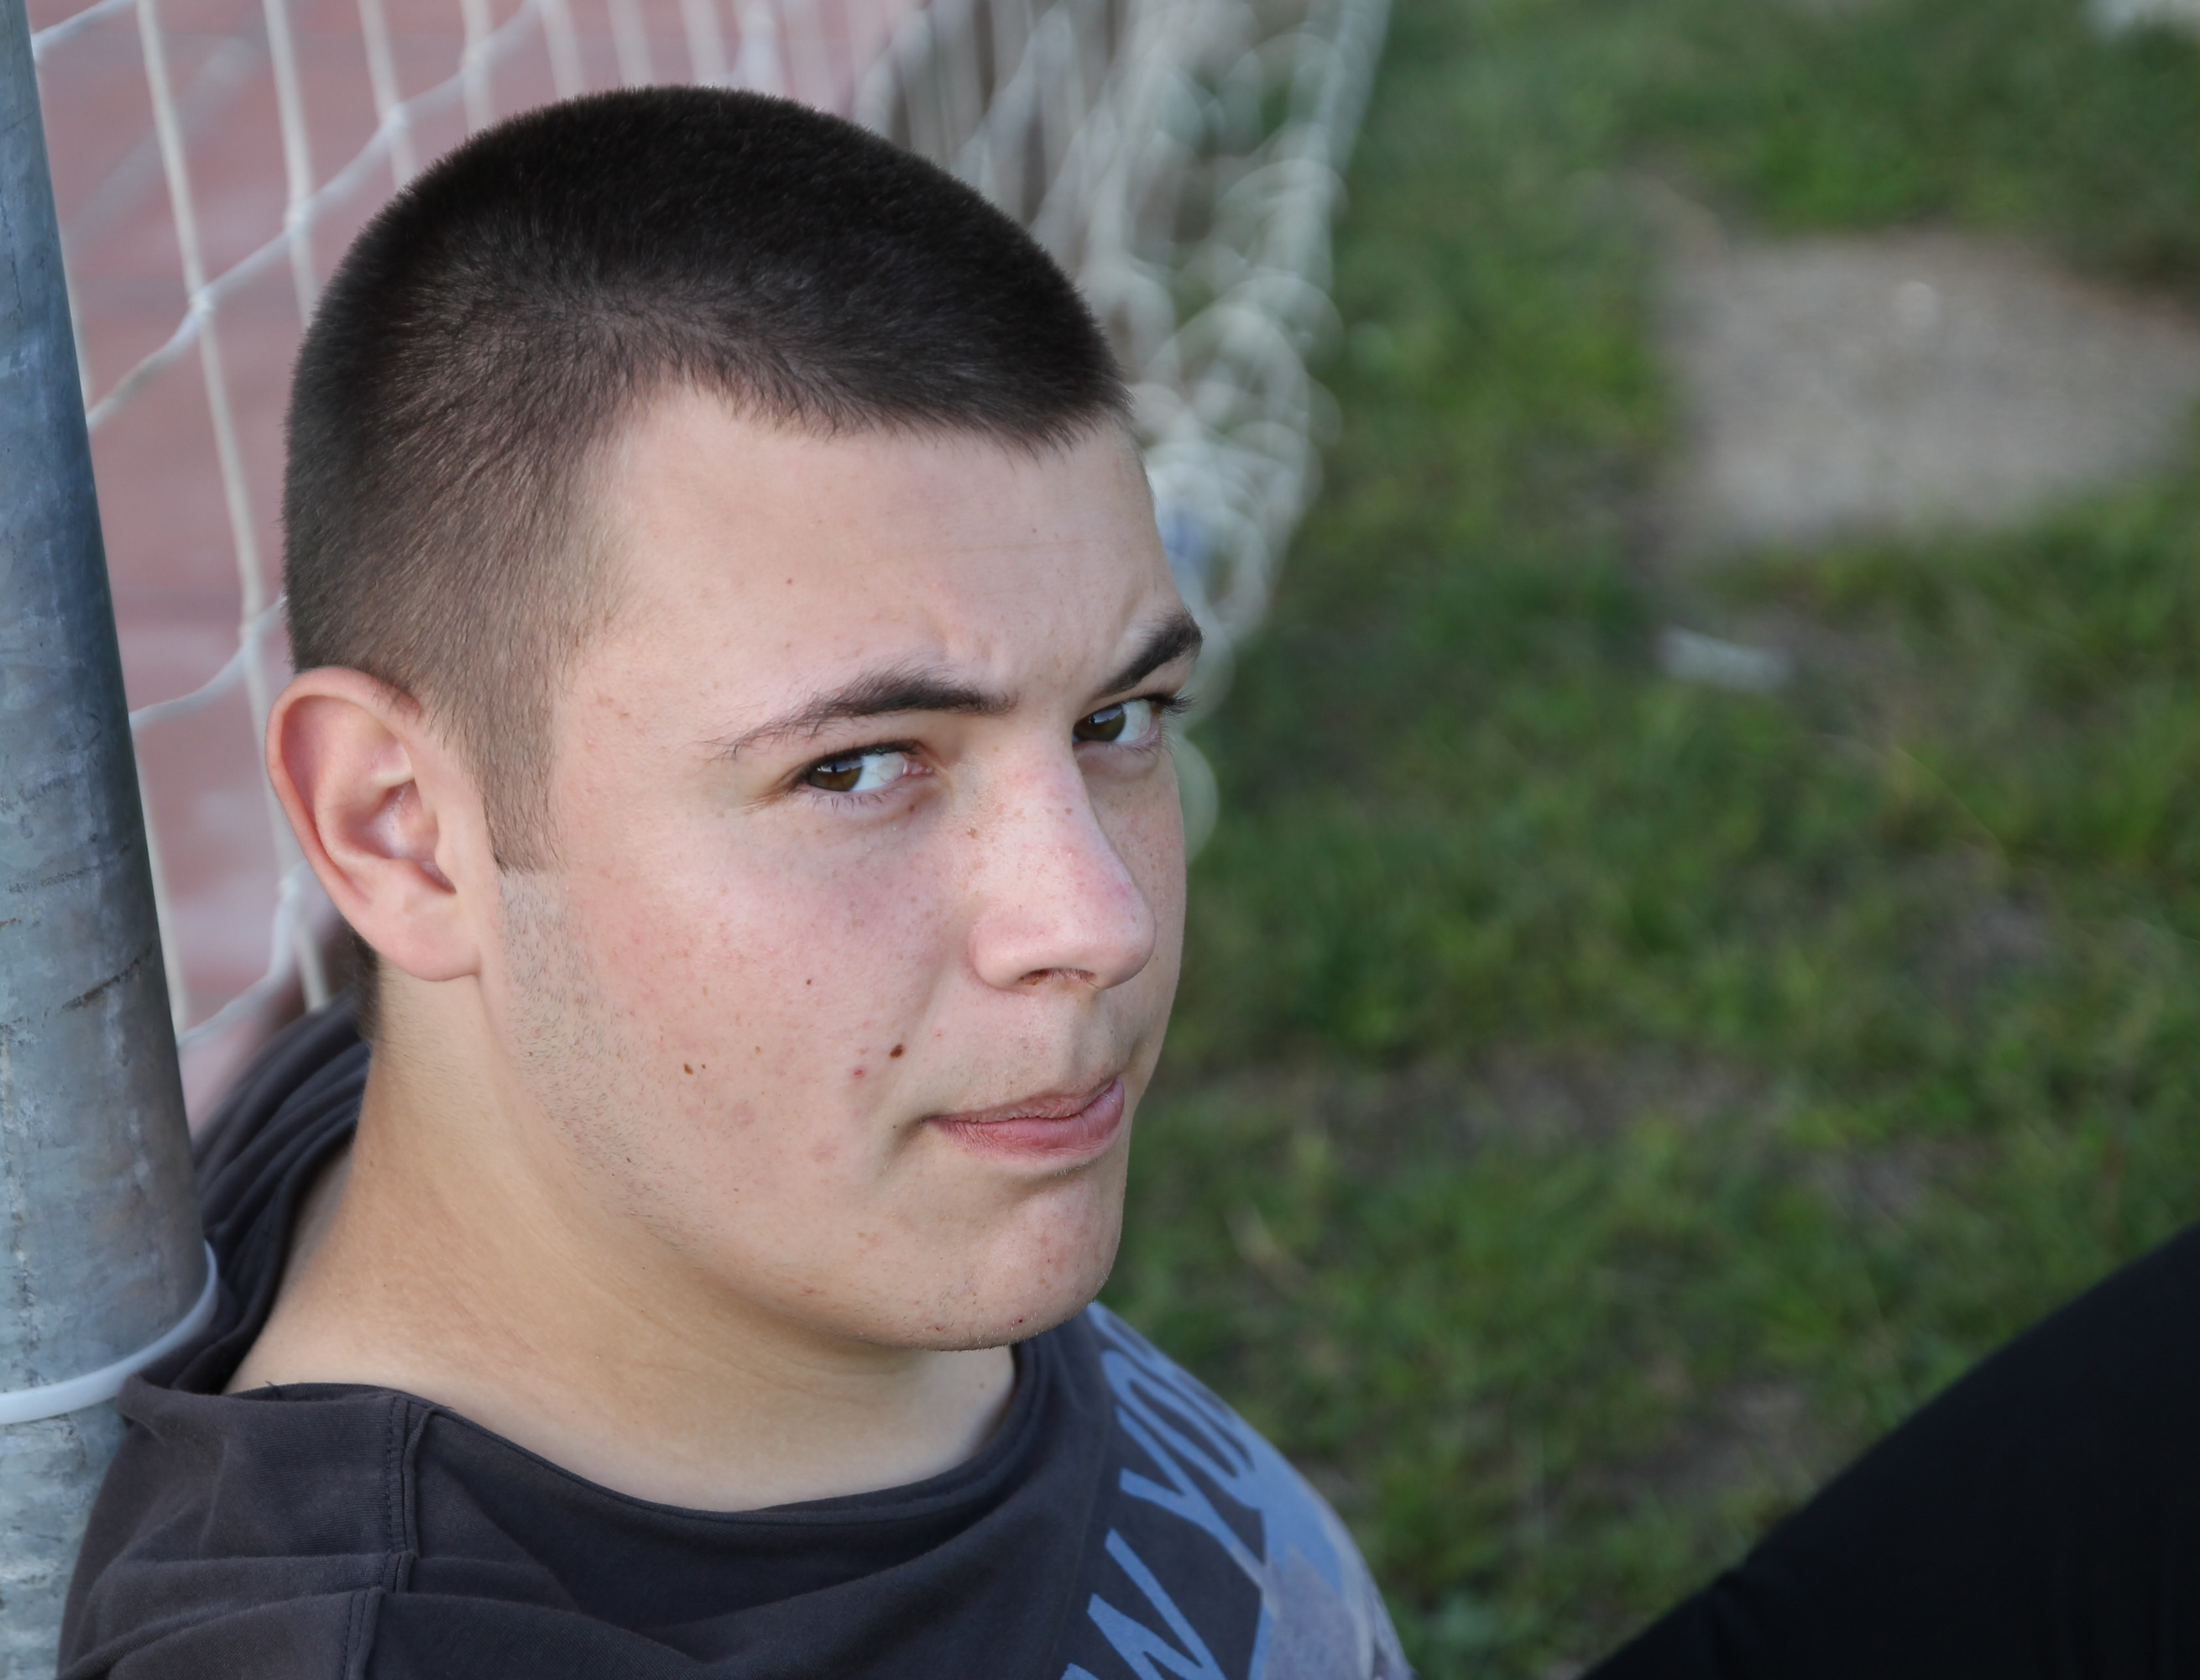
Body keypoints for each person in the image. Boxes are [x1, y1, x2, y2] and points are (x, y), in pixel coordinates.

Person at [62, 86, 1408, 1680]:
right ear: (402, 833)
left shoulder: (627, 1133)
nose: (1097, 922)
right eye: (857, 767)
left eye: (1116, 721)